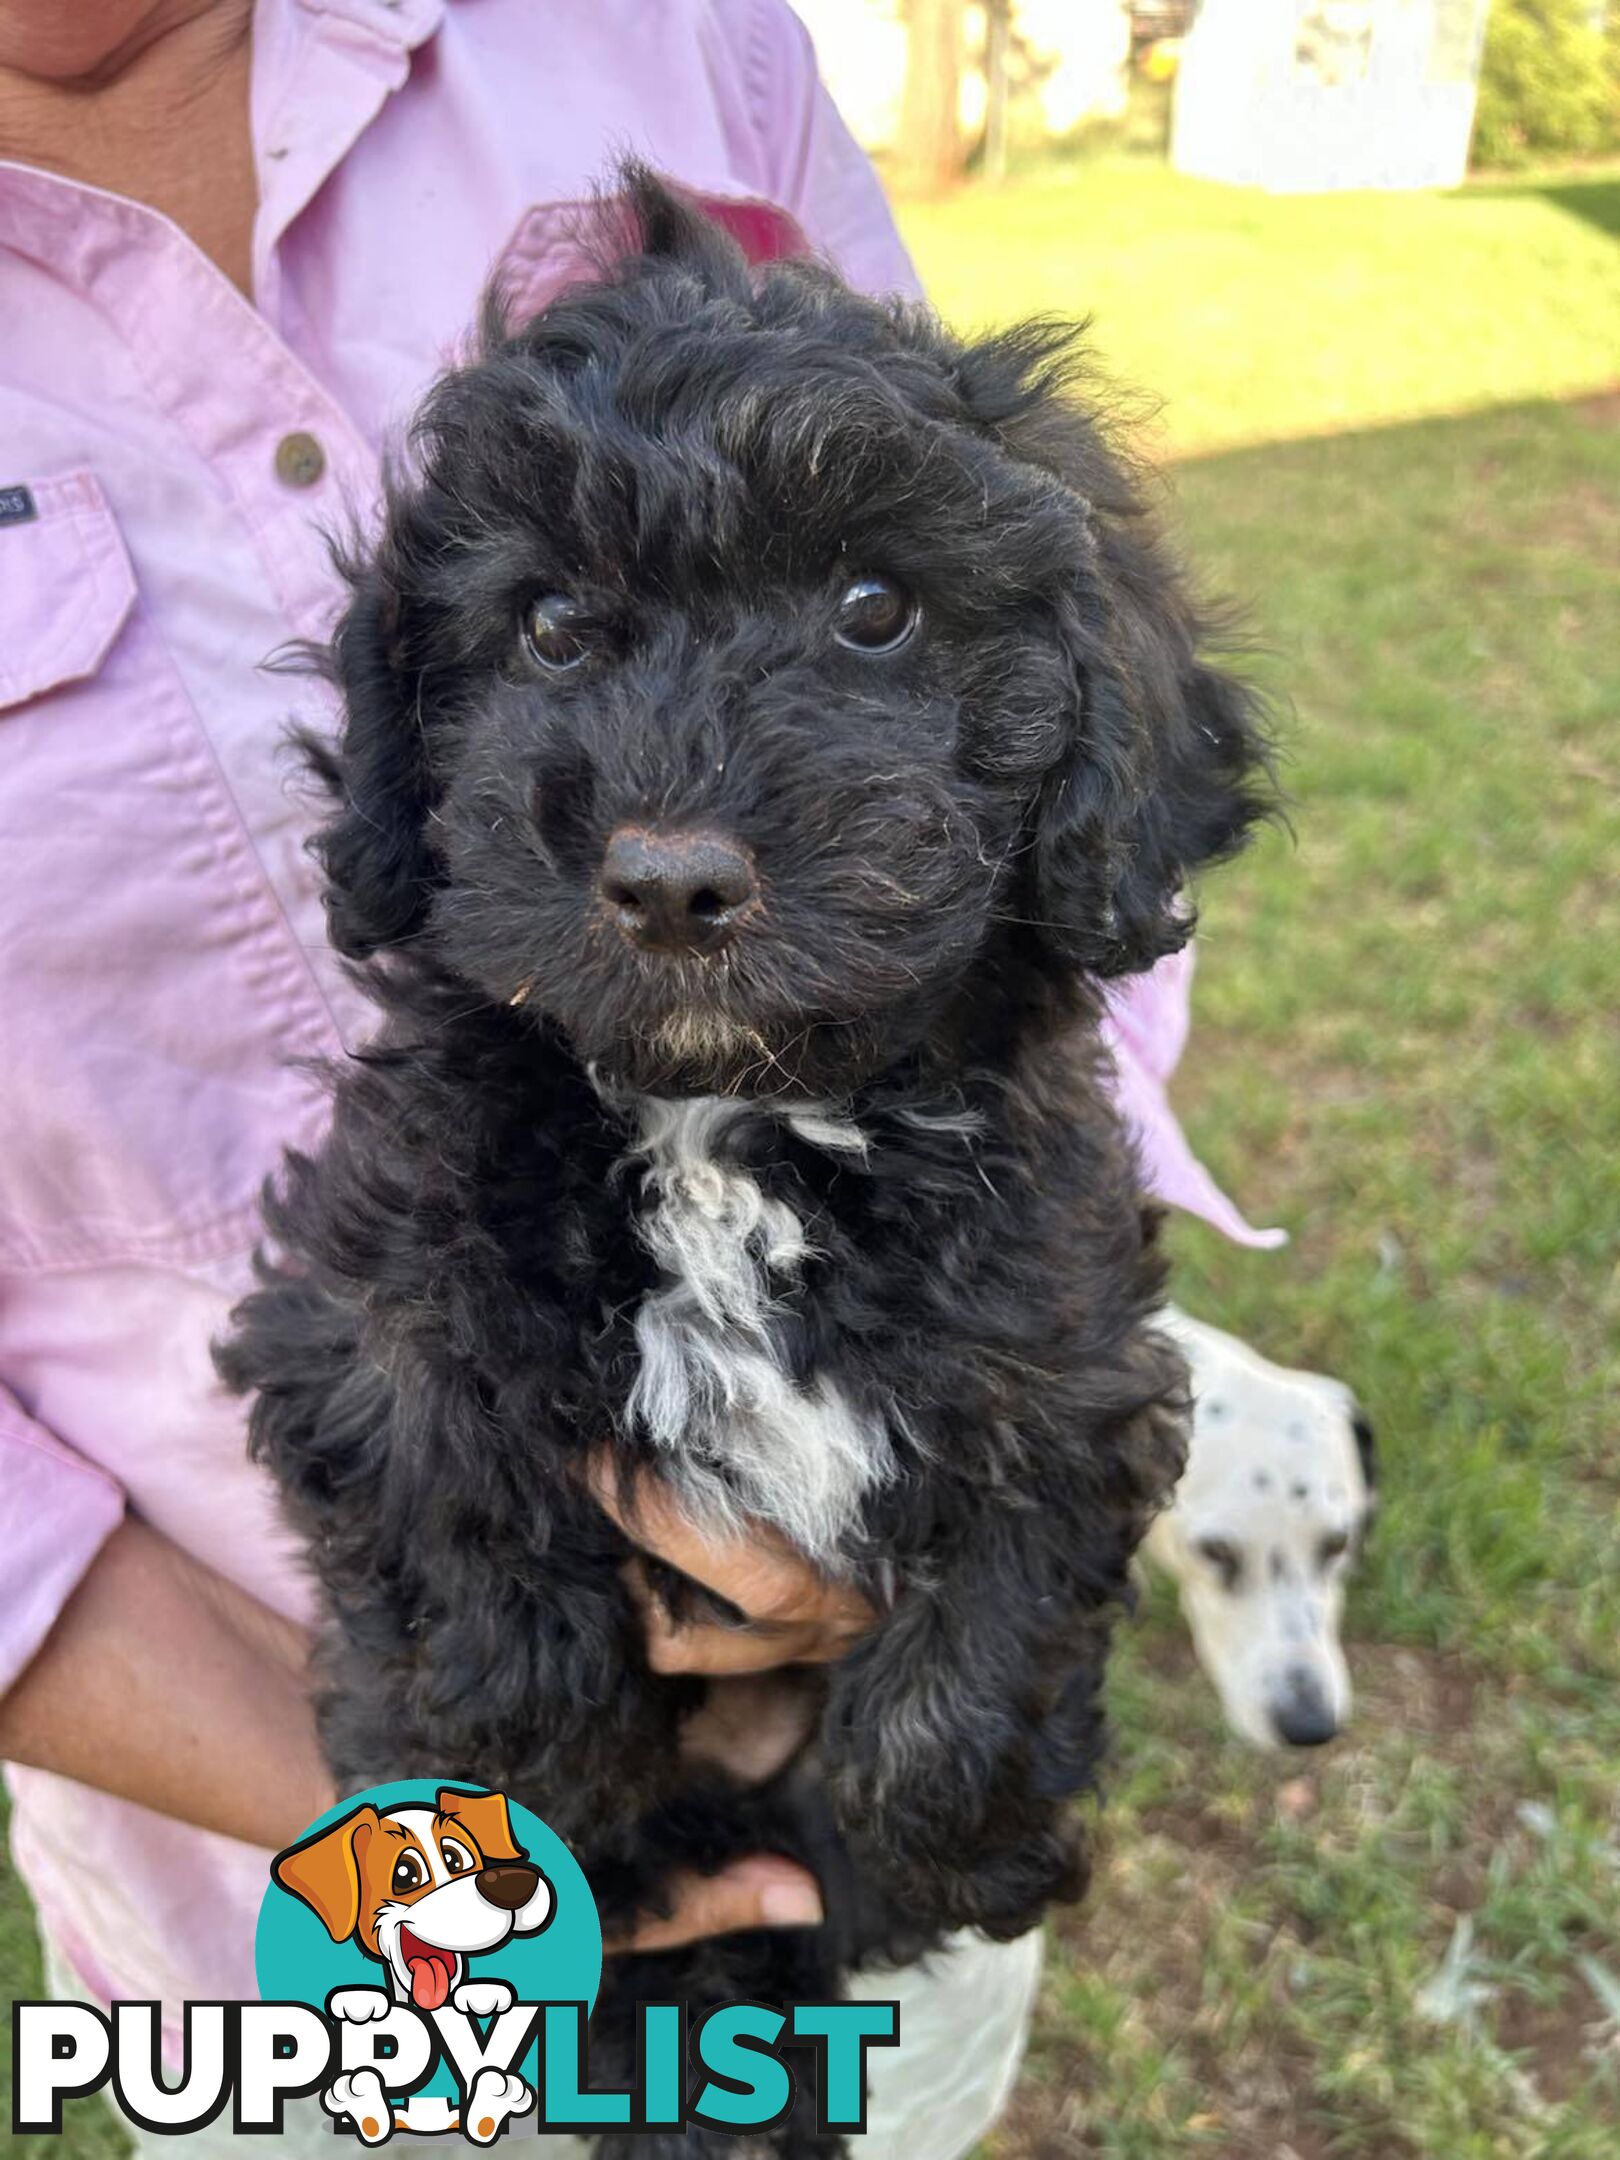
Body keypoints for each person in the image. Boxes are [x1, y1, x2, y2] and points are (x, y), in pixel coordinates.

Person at [0, 2, 1283, 2151]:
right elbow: (370, 1397)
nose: (679, 824)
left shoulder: (668, 26)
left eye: (859, 615)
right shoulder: (437, 1204)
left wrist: (934, 1693)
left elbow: (1028, 630)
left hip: (855, 1913)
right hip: (298, 1909)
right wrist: (453, 1790)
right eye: (560, 636)